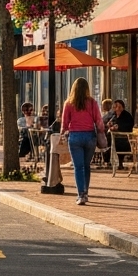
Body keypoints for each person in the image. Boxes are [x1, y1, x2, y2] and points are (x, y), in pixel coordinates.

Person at [61, 77, 105, 206]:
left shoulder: (69, 103)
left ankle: (81, 194)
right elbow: (98, 120)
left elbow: (64, 123)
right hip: (90, 136)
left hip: (74, 136)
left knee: (78, 167)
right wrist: (101, 132)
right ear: (87, 89)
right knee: (86, 166)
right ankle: (86, 192)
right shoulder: (92, 102)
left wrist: (63, 133)